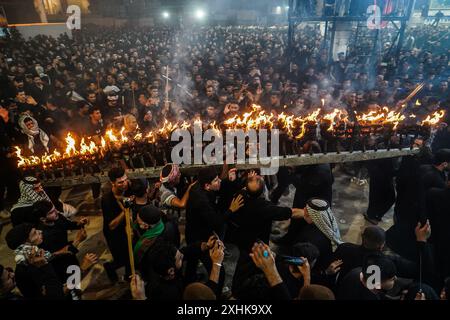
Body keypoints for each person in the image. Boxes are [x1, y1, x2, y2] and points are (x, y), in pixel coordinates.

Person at [101, 167, 131, 283]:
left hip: (125, 228)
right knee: (121, 259)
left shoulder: (127, 186)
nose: (124, 184)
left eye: (125, 180)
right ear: (112, 183)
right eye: (120, 182)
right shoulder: (107, 200)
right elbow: (111, 225)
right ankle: (109, 267)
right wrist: (125, 211)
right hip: (114, 234)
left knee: (130, 254)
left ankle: (129, 277)